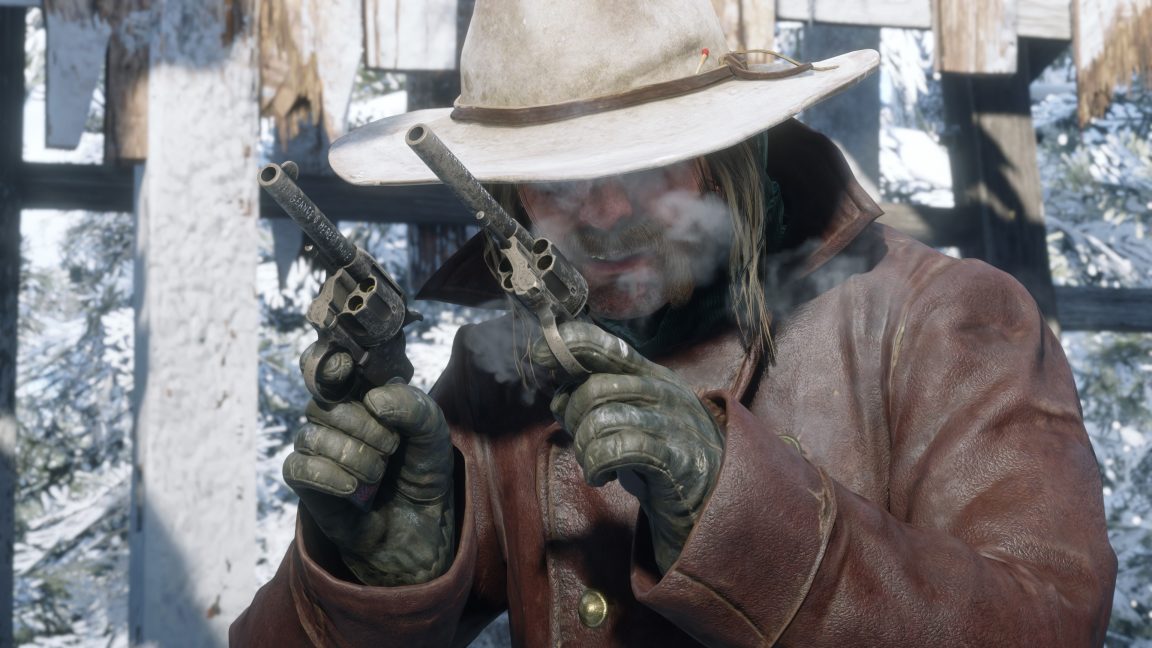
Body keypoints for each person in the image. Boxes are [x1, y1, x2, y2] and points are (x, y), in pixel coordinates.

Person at [231, 0, 1117, 645]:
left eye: (647, 162)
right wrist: (374, 584)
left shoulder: (944, 319)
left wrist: (740, 515)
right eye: (556, 179)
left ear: (725, 151)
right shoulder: (503, 373)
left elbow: (1051, 626)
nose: (605, 214)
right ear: (508, 196)